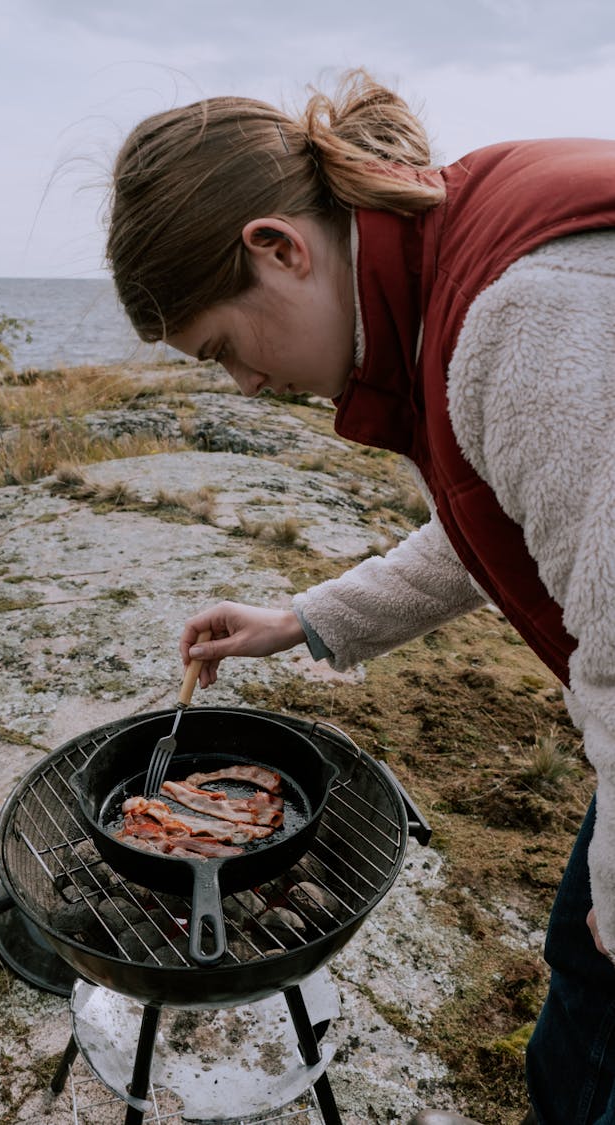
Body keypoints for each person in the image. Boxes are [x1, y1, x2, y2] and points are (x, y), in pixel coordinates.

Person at [106, 69, 615, 1125]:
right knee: (584, 976)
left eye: (223, 349)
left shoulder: (533, 319)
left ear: (277, 248)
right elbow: (497, 514)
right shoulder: (448, 274)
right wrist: (299, 620)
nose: (244, 386)